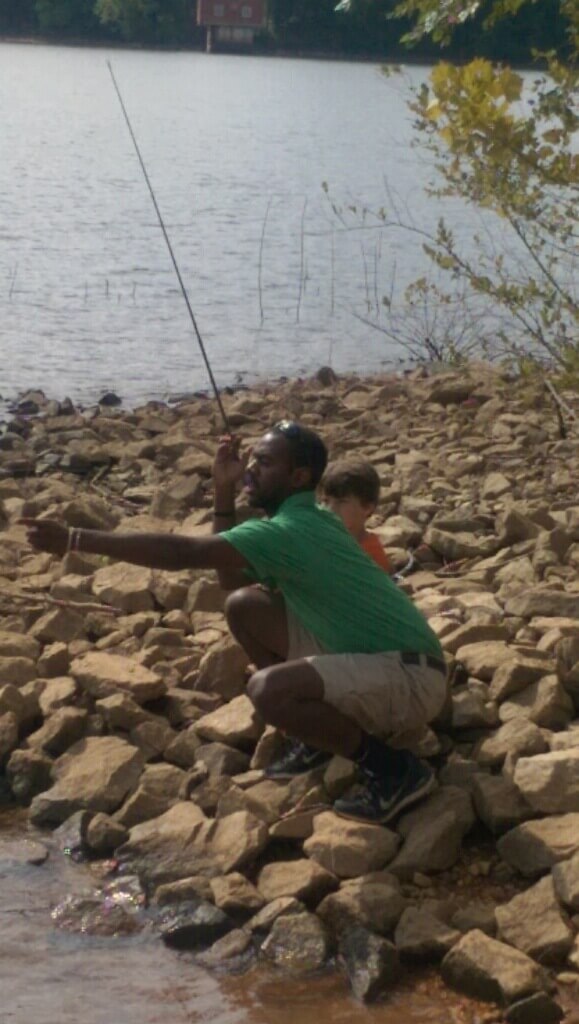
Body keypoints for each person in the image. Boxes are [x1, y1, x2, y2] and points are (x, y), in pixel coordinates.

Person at [21, 420, 447, 824]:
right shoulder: (310, 519)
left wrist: (75, 538)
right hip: (385, 659)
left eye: (265, 462)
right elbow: (229, 580)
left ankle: (393, 770)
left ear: (299, 476)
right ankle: (318, 732)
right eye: (253, 459)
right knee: (244, 605)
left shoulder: (290, 530)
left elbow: (185, 553)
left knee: (267, 690)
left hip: (410, 678)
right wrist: (223, 489)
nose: (250, 469)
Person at [320, 458, 392, 573]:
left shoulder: (369, 556)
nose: (329, 509)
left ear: (367, 507)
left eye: (341, 501)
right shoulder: (322, 539)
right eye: (325, 501)